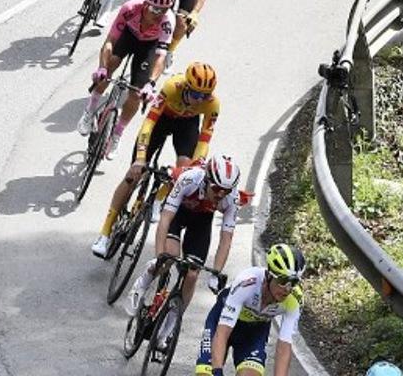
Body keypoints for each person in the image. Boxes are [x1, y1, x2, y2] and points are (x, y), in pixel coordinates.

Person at [91, 62, 220, 259]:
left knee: (185, 171)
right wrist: (140, 159)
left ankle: (160, 197)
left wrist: (196, 166)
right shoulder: (172, 87)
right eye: (196, 95)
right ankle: (105, 233)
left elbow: (204, 140)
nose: (200, 100)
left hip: (186, 125)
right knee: (132, 176)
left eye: (205, 96)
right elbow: (149, 122)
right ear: (186, 87)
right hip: (161, 120)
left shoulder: (212, 104)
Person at [126, 154, 240, 314]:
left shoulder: (232, 199)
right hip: (178, 212)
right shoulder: (190, 179)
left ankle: (173, 321)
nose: (220, 194)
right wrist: (158, 256)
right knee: (169, 256)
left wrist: (217, 272)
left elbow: (226, 239)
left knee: (192, 274)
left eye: (226, 191)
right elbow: (165, 219)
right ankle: (143, 282)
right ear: (206, 180)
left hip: (201, 220)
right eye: (216, 188)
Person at [76, 0, 175, 155]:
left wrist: (150, 84)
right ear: (145, 4)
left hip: (148, 46)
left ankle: (117, 134)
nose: (159, 14)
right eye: (155, 9)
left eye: (164, 9)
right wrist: (102, 68)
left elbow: (160, 57)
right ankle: (89, 111)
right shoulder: (130, 8)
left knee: (136, 94)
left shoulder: (167, 22)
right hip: (128, 35)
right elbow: (109, 42)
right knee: (110, 65)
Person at [195, 242, 305, 376]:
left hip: (253, 333)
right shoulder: (247, 283)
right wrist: (217, 371)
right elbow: (222, 333)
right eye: (283, 281)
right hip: (222, 323)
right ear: (269, 276)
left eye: (293, 283)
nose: (287, 289)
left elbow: (284, 347)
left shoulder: (294, 299)